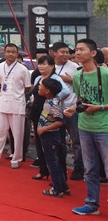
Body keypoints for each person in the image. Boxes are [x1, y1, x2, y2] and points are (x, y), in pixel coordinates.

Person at [66, 38, 108, 216]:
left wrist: (99, 107)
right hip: (84, 126)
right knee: (89, 168)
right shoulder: (77, 76)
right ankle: (91, 204)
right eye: (76, 49)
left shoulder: (105, 74)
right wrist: (72, 109)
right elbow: (80, 100)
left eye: (81, 49)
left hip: (104, 127)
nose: (77, 52)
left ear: (93, 53)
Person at [0, 43, 32, 168]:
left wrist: (17, 94)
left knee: (17, 133)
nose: (10, 54)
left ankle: (16, 158)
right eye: (8, 51)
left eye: (13, 52)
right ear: (4, 53)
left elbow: (27, 87)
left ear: (17, 54)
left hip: (17, 103)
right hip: (2, 102)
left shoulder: (23, 69)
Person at [29, 55, 70, 181]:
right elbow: (34, 93)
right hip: (37, 113)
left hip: (51, 115)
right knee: (39, 142)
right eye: (40, 64)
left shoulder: (55, 78)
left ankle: (60, 177)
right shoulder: (38, 78)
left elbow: (66, 92)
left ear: (52, 66)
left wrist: (53, 101)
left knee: (56, 146)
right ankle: (43, 170)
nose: (41, 66)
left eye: (44, 64)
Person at [51, 41, 85, 180]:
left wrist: (70, 80)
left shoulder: (75, 67)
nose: (65, 54)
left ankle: (78, 168)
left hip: (71, 108)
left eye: (67, 52)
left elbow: (82, 86)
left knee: (76, 140)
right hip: (55, 109)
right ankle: (60, 167)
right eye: (62, 52)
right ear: (54, 53)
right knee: (58, 140)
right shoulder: (51, 67)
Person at [37, 77, 70, 198]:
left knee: (52, 163)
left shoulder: (53, 103)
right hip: (48, 135)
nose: (38, 87)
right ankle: (63, 186)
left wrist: (44, 129)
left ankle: (57, 189)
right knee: (54, 162)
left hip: (50, 136)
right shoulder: (49, 100)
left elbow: (59, 122)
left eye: (41, 86)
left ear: (47, 91)